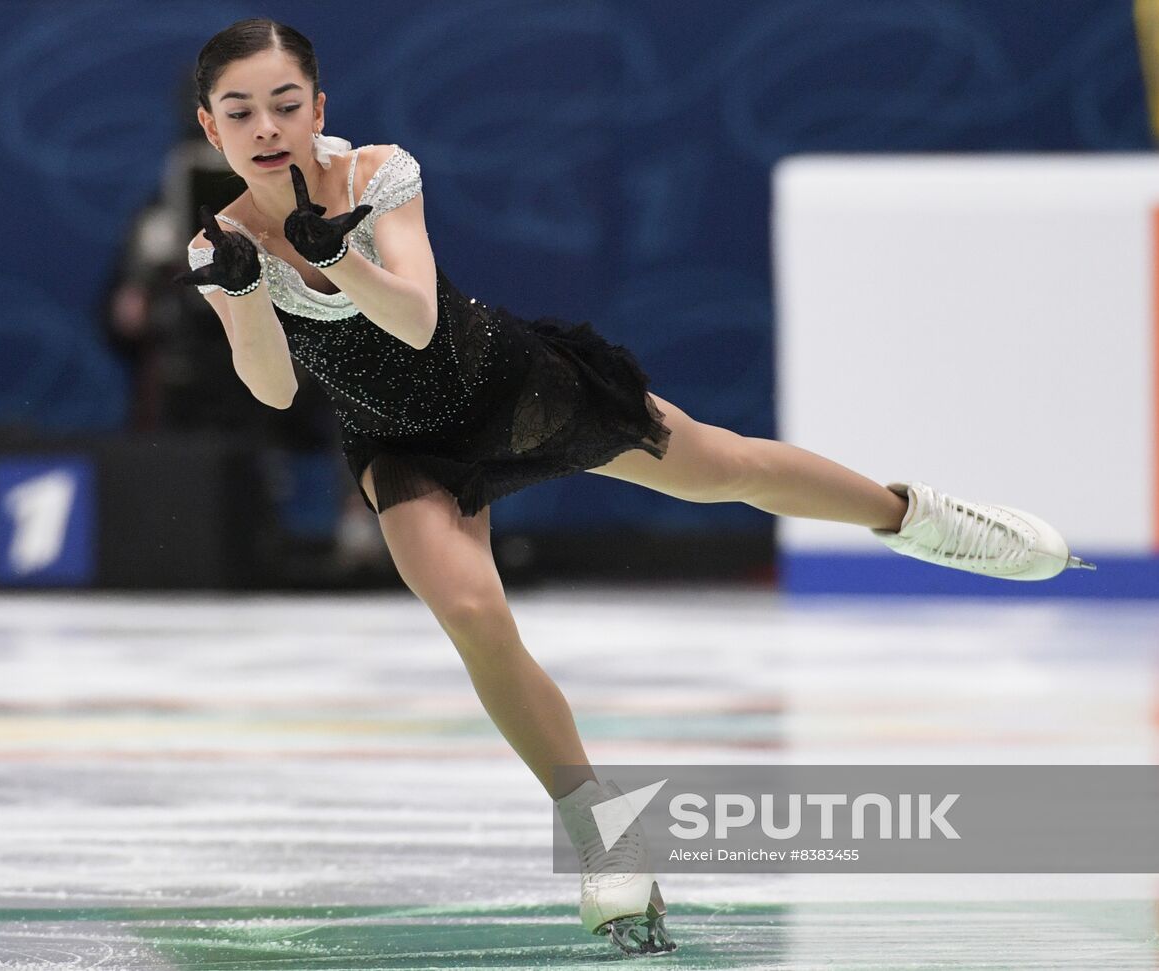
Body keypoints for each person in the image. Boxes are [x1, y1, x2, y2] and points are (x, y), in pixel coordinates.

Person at [175, 18, 1094, 956]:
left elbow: (413, 320)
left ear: (318, 107)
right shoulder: (219, 246)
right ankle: (604, 835)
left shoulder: (377, 174)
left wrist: (338, 256)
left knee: (719, 468)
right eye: (240, 111)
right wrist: (247, 293)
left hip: (506, 383)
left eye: (286, 104)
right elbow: (276, 387)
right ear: (211, 130)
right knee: (471, 612)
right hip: (404, 443)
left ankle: (915, 515)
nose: (267, 127)